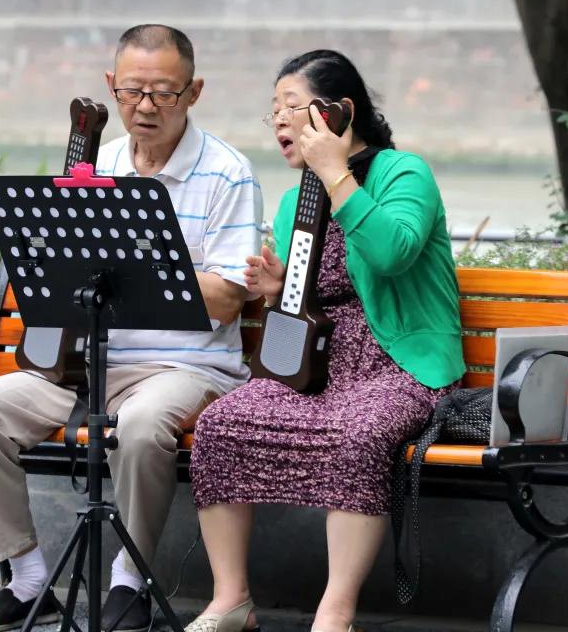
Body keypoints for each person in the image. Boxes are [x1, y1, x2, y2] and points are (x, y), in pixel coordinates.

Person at [0, 24, 262, 632]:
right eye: (133, 90)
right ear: (111, 87)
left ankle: (127, 580)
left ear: (193, 93)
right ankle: (30, 577)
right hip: (87, 363)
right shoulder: (97, 165)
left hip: (185, 368)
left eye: (164, 93)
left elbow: (224, 299)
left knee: (141, 428)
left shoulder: (227, 174)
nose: (145, 106)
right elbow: (52, 274)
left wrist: (141, 271)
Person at [186, 50, 465, 632]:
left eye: (293, 106)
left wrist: (338, 174)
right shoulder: (295, 201)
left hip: (399, 363)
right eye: (274, 111)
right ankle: (231, 600)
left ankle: (335, 613)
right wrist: (275, 287)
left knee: (359, 434)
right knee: (220, 426)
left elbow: (391, 254)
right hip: (318, 366)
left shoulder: (402, 173)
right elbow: (308, 303)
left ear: (340, 112)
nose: (281, 121)